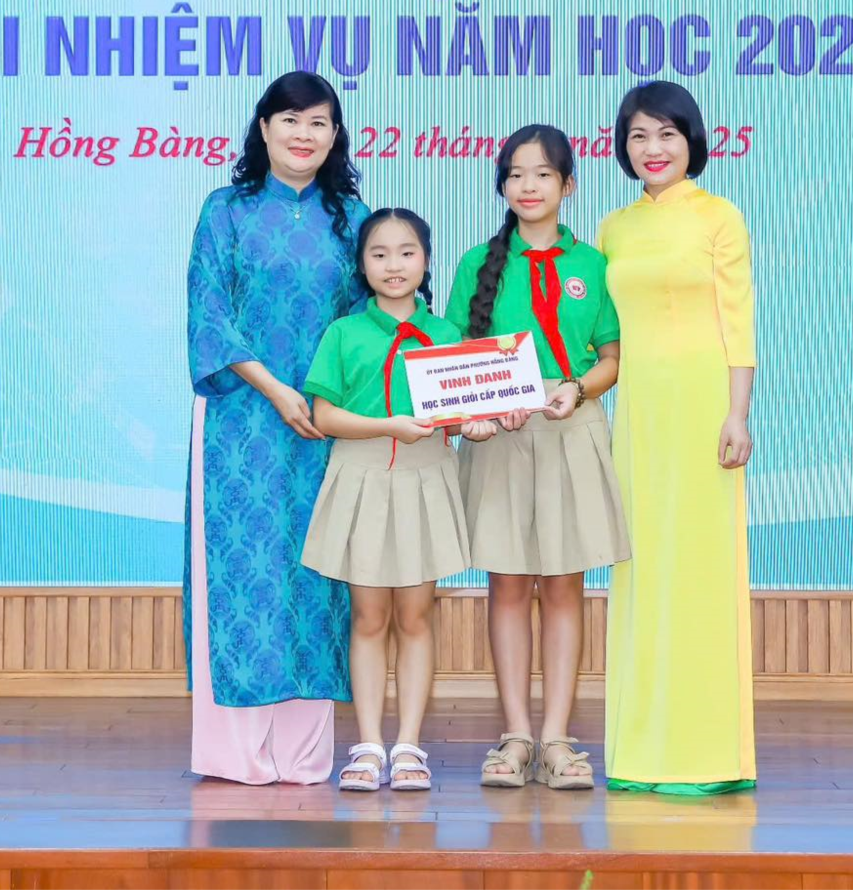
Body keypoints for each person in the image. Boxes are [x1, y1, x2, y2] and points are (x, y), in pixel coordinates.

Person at [184, 71, 366, 784]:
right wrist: (275, 390)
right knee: (244, 575)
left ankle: (302, 753)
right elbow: (209, 314)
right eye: (289, 119)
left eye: (318, 122)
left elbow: (371, 320)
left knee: (316, 577)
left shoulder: (351, 218)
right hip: (241, 419)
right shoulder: (225, 210)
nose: (303, 134)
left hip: (324, 424)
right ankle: (236, 753)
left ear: (335, 135)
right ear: (263, 128)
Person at [446, 125, 629, 790]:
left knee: (563, 587)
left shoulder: (594, 265)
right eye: (516, 174)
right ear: (502, 185)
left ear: (568, 184)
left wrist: (576, 388)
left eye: (543, 173)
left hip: (571, 430)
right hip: (500, 437)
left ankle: (557, 739)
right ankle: (516, 736)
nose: (528, 186)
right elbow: (455, 357)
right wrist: (481, 409)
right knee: (507, 585)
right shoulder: (477, 262)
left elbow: (611, 357)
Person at [596, 80, 759, 794]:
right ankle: (641, 751)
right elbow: (599, 332)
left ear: (691, 139)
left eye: (666, 133)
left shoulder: (720, 216)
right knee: (641, 570)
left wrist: (737, 413)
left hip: (703, 407)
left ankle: (706, 754)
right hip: (637, 414)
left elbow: (739, 320)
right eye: (638, 136)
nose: (652, 148)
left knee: (699, 570)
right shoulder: (613, 228)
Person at [299, 208, 471, 793]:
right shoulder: (343, 333)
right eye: (379, 254)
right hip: (362, 476)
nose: (393, 265)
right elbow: (324, 416)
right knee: (369, 618)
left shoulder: (448, 336)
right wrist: (388, 427)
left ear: (426, 261)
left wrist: (478, 423)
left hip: (426, 479)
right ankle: (369, 746)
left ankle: (410, 747)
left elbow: (460, 416)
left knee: (416, 617)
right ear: (362, 264)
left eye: (406, 252)